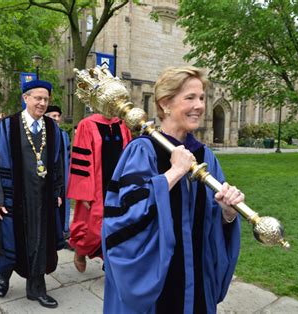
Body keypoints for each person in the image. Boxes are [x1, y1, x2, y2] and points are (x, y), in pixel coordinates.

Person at [102, 66, 242, 313]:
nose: (199, 105)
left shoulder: (205, 155)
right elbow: (122, 219)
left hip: (196, 281)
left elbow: (210, 225)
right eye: (190, 98)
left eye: (201, 98)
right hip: (158, 285)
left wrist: (227, 213)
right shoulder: (142, 151)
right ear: (165, 103)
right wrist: (173, 173)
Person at [0, 80, 64, 309]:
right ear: (26, 98)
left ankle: (37, 289)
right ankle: (3, 276)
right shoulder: (8, 126)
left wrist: (57, 191)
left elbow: (58, 163)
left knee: (40, 242)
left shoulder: (52, 129)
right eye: (38, 98)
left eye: (46, 99)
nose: (42, 103)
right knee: (9, 240)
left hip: (41, 199)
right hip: (15, 197)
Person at [67, 112, 132, 272]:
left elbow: (130, 154)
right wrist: (83, 192)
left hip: (119, 185)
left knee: (117, 226)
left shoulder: (123, 124)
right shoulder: (87, 124)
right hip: (95, 186)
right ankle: (81, 250)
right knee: (93, 229)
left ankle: (109, 263)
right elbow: (80, 159)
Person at [45, 105, 72, 245]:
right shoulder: (43, 134)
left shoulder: (63, 135)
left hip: (63, 175)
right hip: (49, 176)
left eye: (57, 116)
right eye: (53, 116)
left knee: (63, 205)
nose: (56, 118)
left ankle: (62, 233)